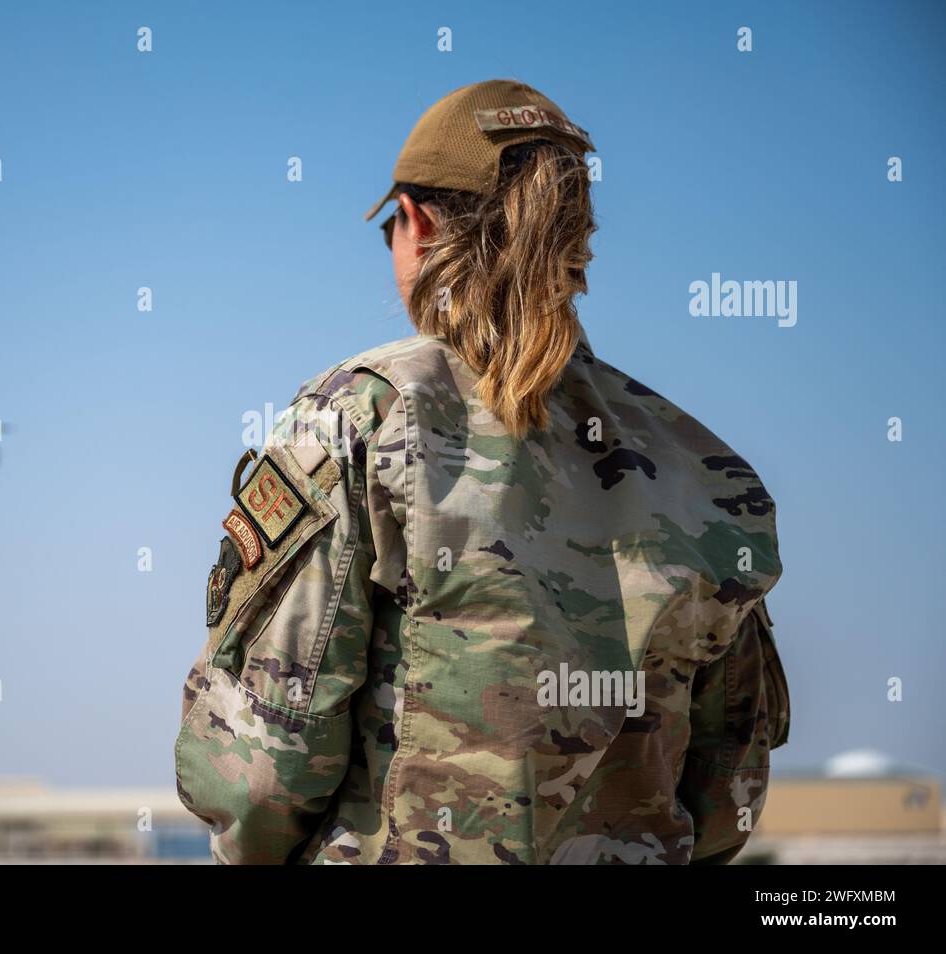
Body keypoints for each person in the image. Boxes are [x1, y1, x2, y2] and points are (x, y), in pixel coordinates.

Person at [175, 79, 790, 865]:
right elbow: (728, 791)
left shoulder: (361, 413)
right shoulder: (705, 466)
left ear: (418, 223)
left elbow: (262, 771)